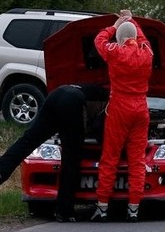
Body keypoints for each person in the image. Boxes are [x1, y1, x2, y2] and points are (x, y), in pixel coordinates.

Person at [0, 84, 108, 222]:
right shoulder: (112, 99)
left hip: (56, 94)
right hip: (73, 102)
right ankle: (64, 211)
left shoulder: (88, 87)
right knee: (71, 157)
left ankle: (2, 169)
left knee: (28, 140)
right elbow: (99, 126)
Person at [90, 11, 153, 223]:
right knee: (137, 160)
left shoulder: (115, 51)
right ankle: (134, 208)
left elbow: (99, 40)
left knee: (110, 157)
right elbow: (142, 38)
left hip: (119, 106)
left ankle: (102, 206)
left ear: (119, 38)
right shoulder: (147, 53)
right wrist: (131, 19)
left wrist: (115, 25)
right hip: (141, 107)